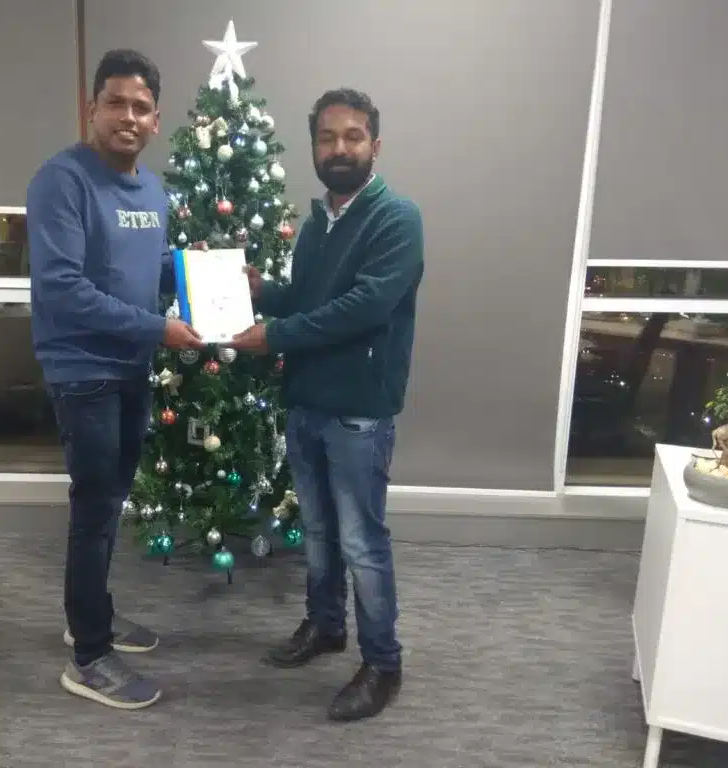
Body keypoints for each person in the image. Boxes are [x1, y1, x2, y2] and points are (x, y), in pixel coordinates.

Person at [231, 88, 424, 722]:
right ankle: (325, 625)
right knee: (316, 530)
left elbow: (363, 308)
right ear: (314, 147)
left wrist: (275, 335)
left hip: (357, 410)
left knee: (361, 541)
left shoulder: (396, 218)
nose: (339, 148)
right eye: (327, 137)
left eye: (352, 136)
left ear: (375, 145)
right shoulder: (318, 223)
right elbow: (311, 300)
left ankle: (383, 664)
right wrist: (264, 293)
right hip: (307, 401)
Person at [27, 48, 204, 711]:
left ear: (156, 119)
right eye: (116, 103)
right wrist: (158, 328)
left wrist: (192, 274)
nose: (128, 117)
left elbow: (144, 266)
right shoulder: (61, 182)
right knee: (95, 509)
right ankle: (89, 657)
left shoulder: (152, 191)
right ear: (92, 108)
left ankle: (89, 617)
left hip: (131, 365)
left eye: (141, 107)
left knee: (111, 503)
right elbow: (64, 288)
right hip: (84, 371)